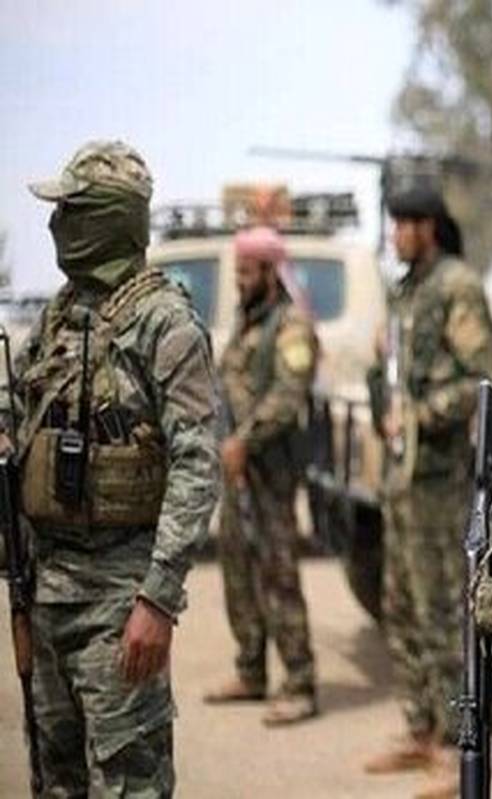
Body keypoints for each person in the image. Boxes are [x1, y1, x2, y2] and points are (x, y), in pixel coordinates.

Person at [4, 140, 220, 795]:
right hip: (47, 590)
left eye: (70, 211)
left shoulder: (166, 325)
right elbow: (18, 410)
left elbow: (196, 465)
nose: (55, 225)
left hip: (119, 598)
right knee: (56, 779)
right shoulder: (59, 314)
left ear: (105, 219)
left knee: (128, 781)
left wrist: (157, 599)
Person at [363, 186, 492, 799]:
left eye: (405, 224)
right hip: (403, 477)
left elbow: (477, 381)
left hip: (439, 479)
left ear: (429, 227)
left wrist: (417, 415)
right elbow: (390, 374)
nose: (395, 234)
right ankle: (420, 729)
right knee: (401, 607)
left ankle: (452, 746)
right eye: (393, 224)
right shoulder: (406, 290)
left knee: (443, 612)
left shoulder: (456, 286)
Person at [203, 225, 319, 725]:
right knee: (237, 567)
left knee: (278, 574)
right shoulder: (245, 320)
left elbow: (288, 396)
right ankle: (250, 670)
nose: (239, 280)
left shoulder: (291, 326)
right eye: (238, 271)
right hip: (239, 472)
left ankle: (300, 683)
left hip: (270, 472)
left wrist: (244, 441)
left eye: (248, 271)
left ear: (271, 273)